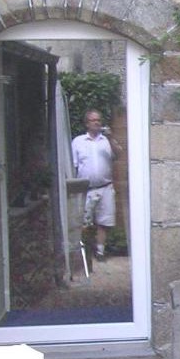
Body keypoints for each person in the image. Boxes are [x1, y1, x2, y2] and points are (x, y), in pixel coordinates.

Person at [71, 109, 115, 261]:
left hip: (105, 186)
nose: (97, 123)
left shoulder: (106, 140)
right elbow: (74, 165)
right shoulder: (78, 141)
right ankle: (85, 251)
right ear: (87, 124)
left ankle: (100, 251)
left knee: (104, 221)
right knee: (84, 222)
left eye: (99, 120)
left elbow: (119, 155)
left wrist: (111, 139)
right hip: (86, 189)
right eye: (93, 120)